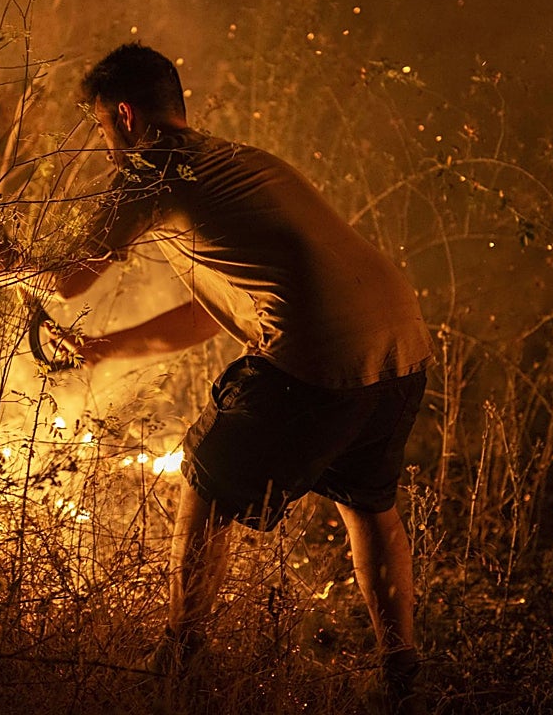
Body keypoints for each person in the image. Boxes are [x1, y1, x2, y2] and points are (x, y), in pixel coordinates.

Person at [24, 43, 433, 709]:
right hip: (401, 346)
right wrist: (104, 348)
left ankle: (180, 656)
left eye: (101, 129)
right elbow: (209, 315)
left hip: (317, 352)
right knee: (368, 502)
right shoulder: (241, 160)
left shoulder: (152, 168)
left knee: (206, 476)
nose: (105, 149)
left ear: (124, 115)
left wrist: (9, 265)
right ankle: (402, 673)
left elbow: (67, 280)